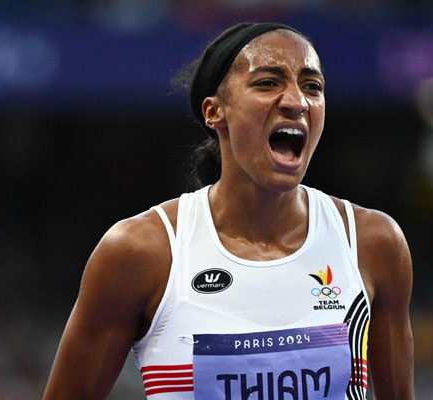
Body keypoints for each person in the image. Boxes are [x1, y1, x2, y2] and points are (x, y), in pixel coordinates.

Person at [42, 22, 413, 400]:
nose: (297, 101)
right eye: (268, 83)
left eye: (312, 86)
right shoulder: (142, 252)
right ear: (214, 112)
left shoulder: (371, 243)